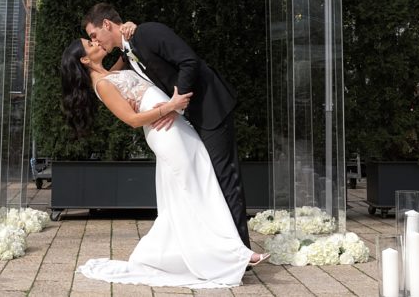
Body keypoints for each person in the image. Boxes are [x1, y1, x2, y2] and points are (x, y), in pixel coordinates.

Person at [58, 37, 268, 289]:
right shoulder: (101, 84)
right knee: (195, 191)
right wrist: (170, 106)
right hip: (165, 132)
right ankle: (237, 255)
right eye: (90, 45)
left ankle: (187, 253)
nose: (96, 43)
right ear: (84, 59)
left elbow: (126, 57)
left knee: (200, 186)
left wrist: (128, 32)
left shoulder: (108, 72)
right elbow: (133, 120)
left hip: (177, 126)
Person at [83, 3, 251, 248]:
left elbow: (189, 61)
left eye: (94, 35)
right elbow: (111, 75)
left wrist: (176, 105)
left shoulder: (148, 32)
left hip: (210, 108)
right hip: (186, 120)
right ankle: (219, 248)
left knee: (225, 177)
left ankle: (241, 252)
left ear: (107, 24)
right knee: (205, 180)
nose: (95, 42)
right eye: (90, 41)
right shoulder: (128, 52)